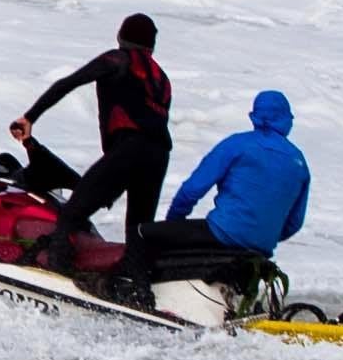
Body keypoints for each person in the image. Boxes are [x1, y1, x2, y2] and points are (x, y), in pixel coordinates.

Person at [7, 13, 171, 266]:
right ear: (152, 45)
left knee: (71, 213)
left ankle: (56, 271)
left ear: (120, 36)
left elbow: (68, 83)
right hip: (159, 156)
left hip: (130, 150)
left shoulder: (117, 59)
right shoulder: (162, 79)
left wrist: (30, 117)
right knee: (137, 230)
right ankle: (135, 287)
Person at [125, 90, 311, 301]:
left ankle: (140, 296)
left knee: (139, 233)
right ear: (287, 119)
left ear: (255, 115)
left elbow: (192, 189)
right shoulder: (299, 162)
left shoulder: (238, 145)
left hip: (222, 232)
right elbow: (294, 222)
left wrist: (173, 223)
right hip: (261, 246)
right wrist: (261, 233)